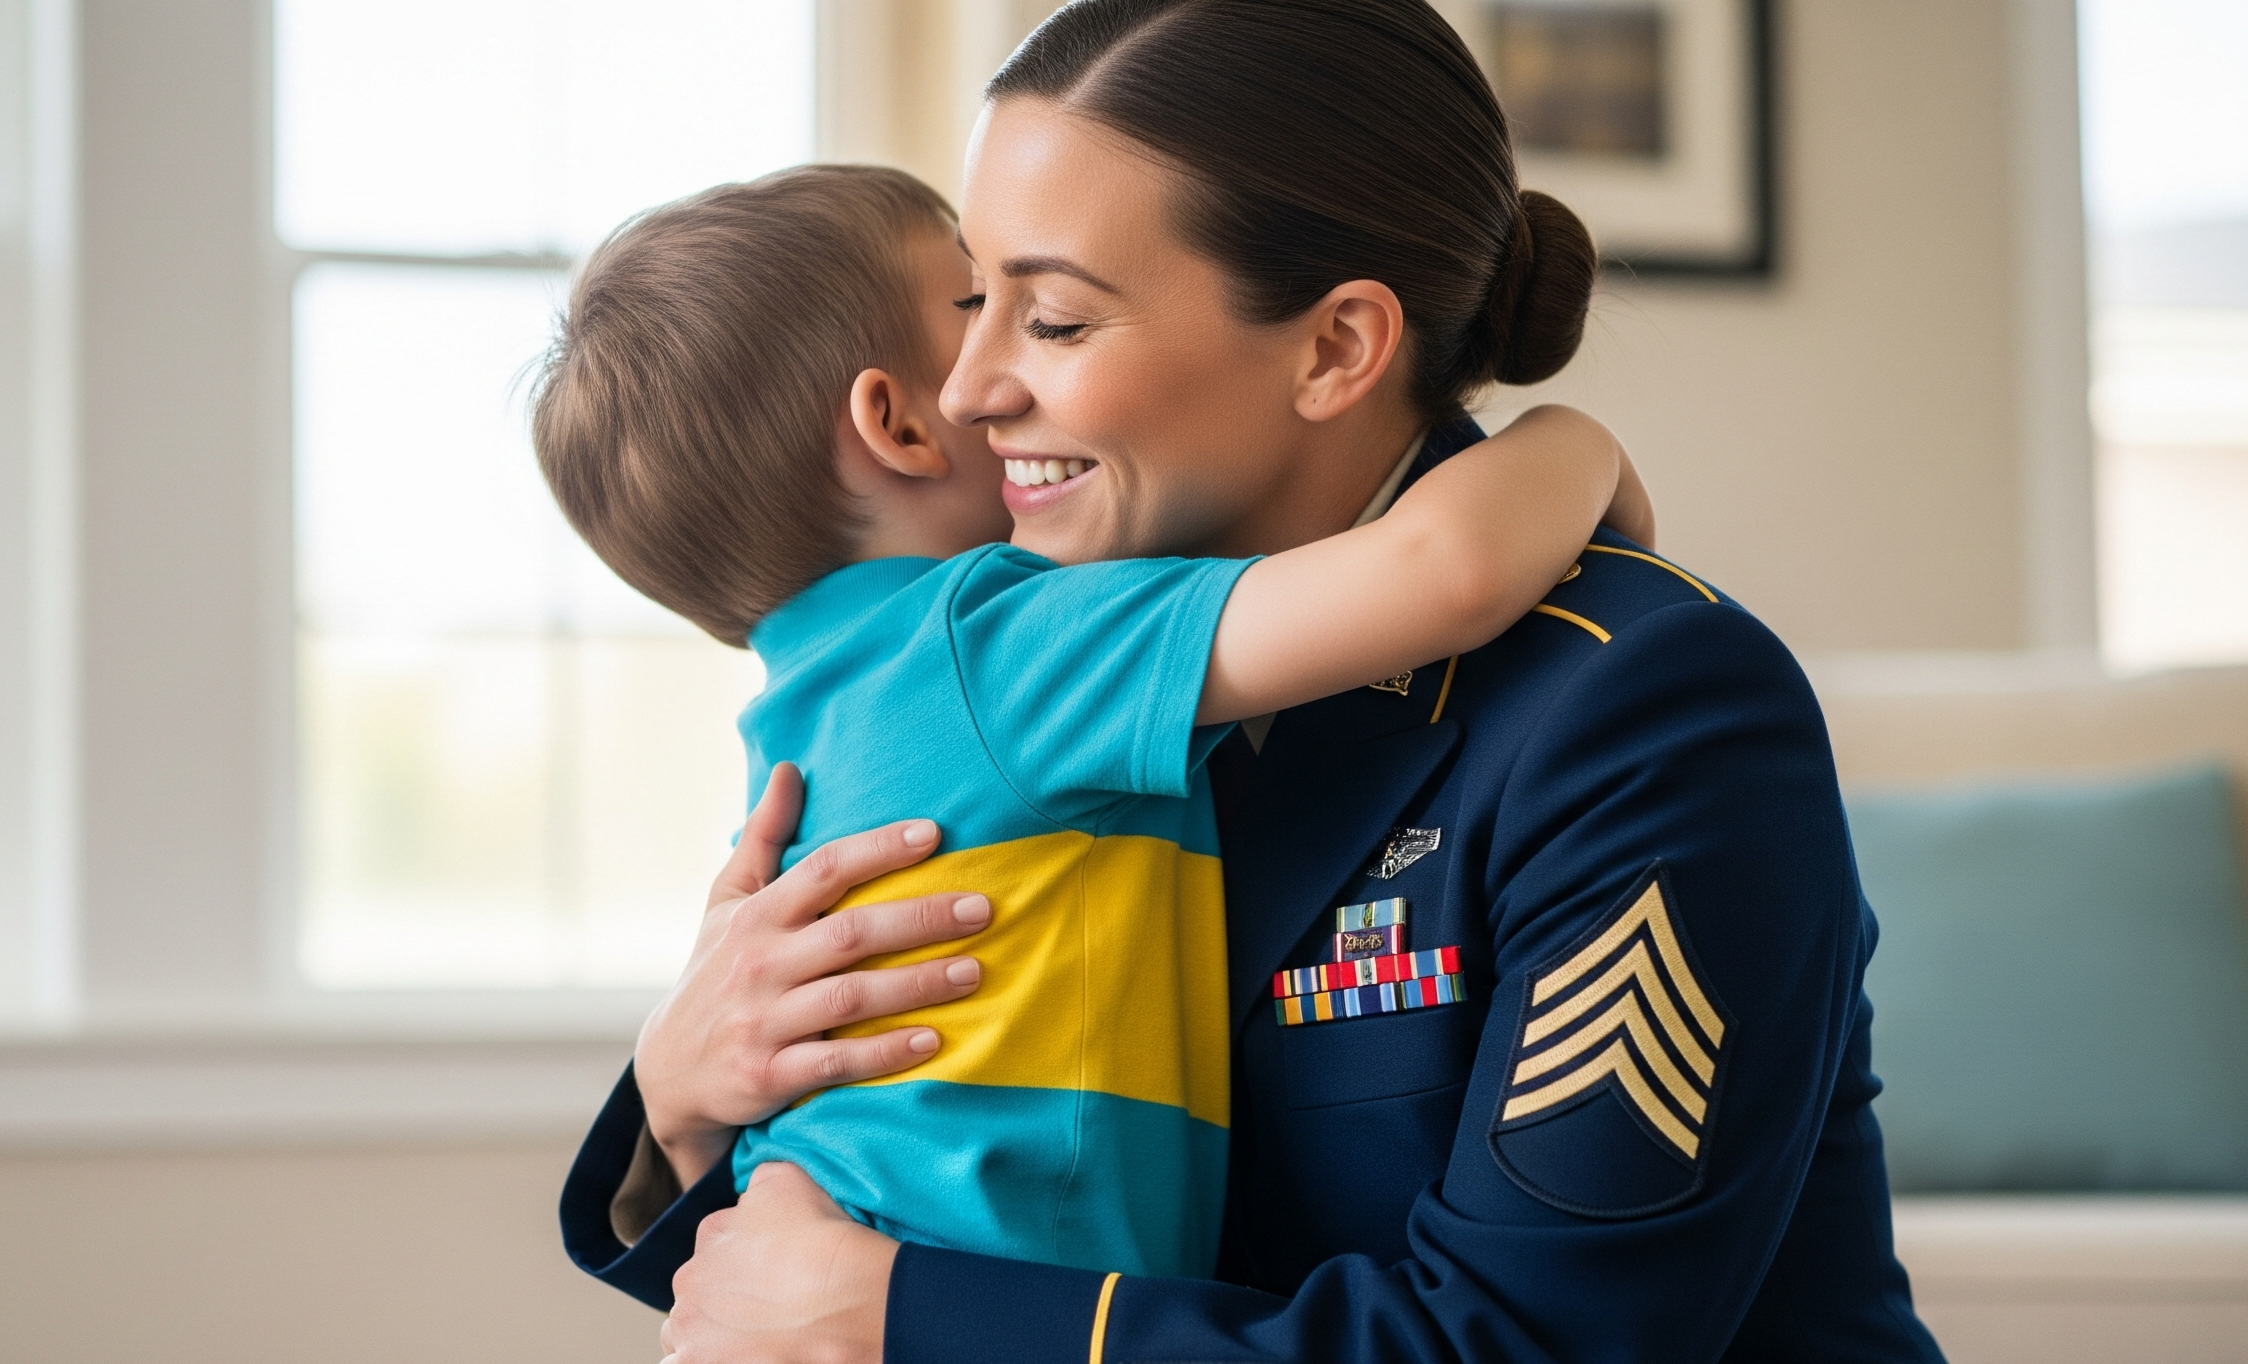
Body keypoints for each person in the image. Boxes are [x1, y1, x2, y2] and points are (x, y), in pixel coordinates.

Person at [562, 2, 1947, 1361]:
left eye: (1050, 319)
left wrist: (902, 1311)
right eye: (974, 298)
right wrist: (689, 1097)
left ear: (1334, 348)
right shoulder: (1026, 663)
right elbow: (832, 1242)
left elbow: (1533, 1340)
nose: (971, 389)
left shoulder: (1644, 707)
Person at [535, 165, 1644, 1281]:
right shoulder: (994, 638)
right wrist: (1577, 441)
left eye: (1050, 316)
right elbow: (1444, 570)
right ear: (900, 425)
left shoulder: (803, 720)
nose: (1005, 361)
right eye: (979, 303)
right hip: (975, 1302)